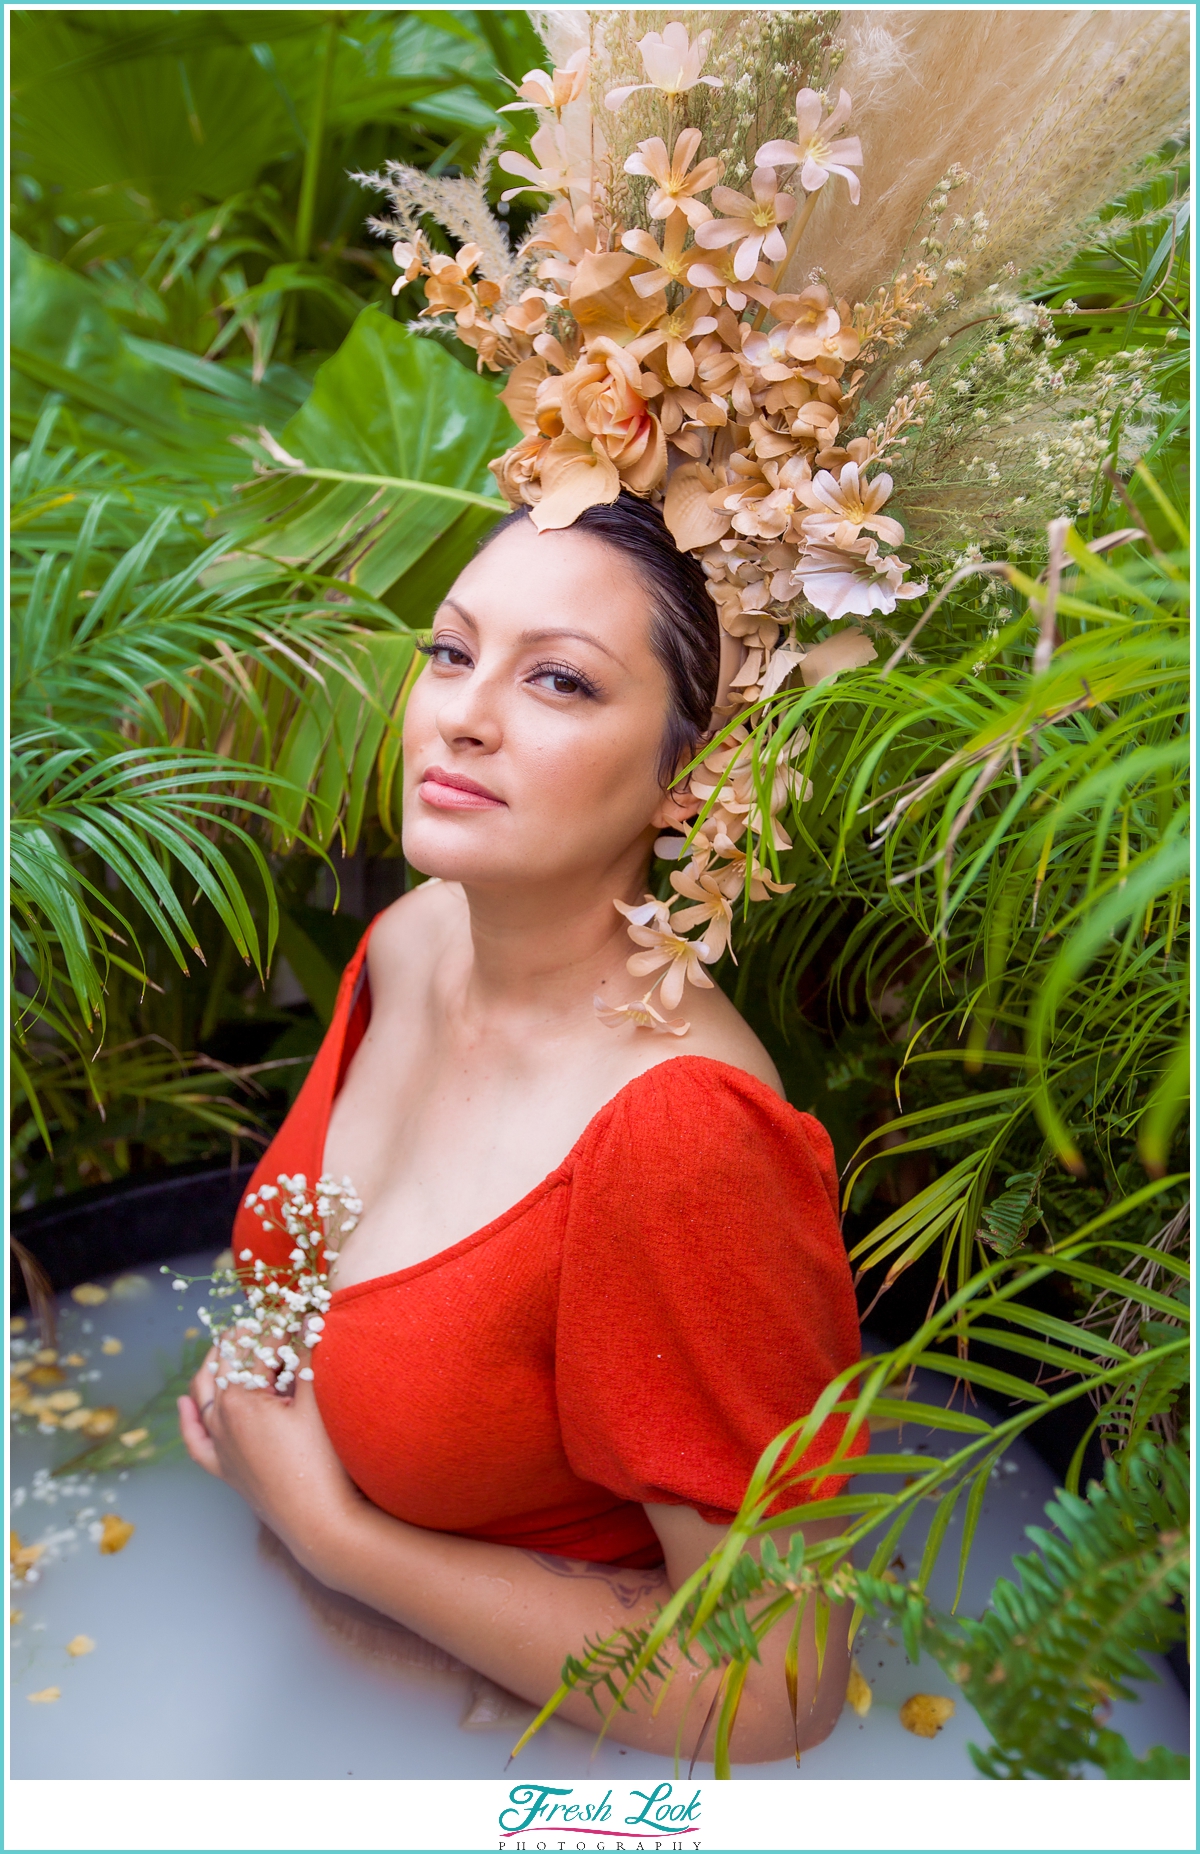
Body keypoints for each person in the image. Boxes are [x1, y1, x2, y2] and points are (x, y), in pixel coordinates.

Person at [178, 494, 865, 1764]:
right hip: (287, 1690)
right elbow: (298, 1265)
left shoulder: (677, 1134)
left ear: (692, 775)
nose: (462, 713)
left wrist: (340, 1536)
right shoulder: (414, 939)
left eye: (558, 680)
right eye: (449, 651)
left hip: (552, 1776)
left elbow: (776, 1691)